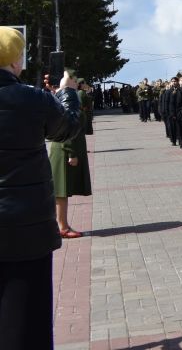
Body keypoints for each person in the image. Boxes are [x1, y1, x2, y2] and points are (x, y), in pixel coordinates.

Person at [0, 26, 82, 350]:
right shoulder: (30, 98)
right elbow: (68, 128)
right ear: (15, 60)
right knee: (28, 317)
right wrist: (68, 92)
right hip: (27, 228)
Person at [47, 71, 93, 238]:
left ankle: (61, 225)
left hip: (65, 148)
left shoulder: (69, 96)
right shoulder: (67, 97)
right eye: (73, 79)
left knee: (62, 191)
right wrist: (71, 152)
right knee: (61, 191)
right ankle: (62, 227)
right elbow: (65, 126)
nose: (76, 82)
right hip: (64, 149)